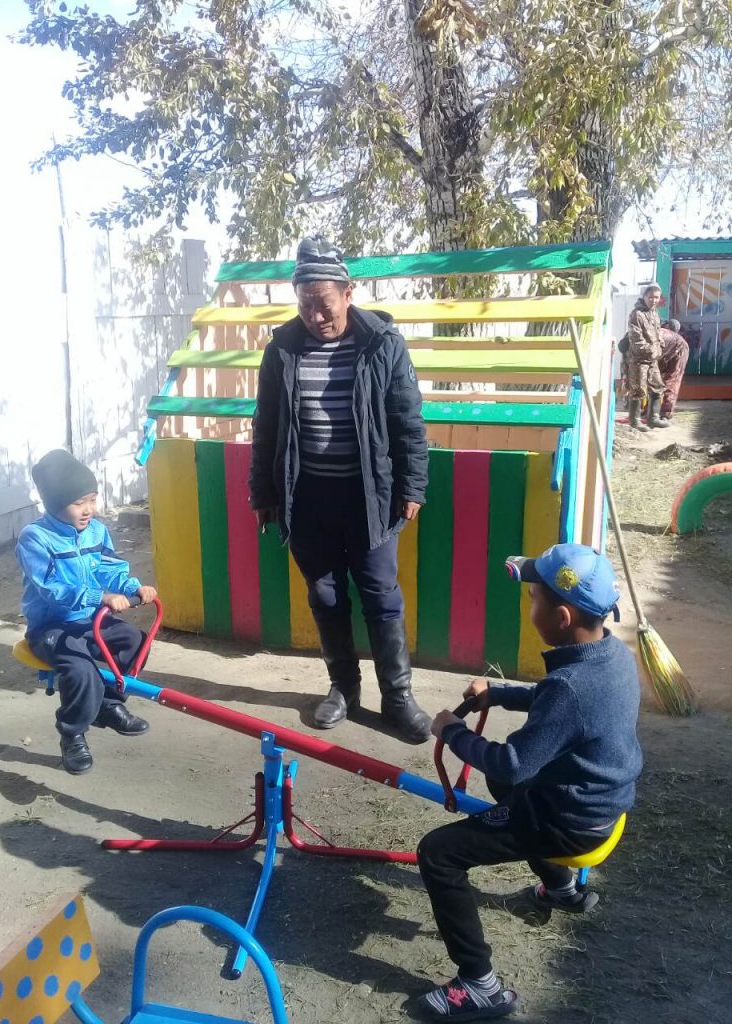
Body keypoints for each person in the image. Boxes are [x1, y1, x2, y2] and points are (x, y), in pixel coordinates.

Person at [415, 543, 642, 1020]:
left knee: (438, 853)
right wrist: (499, 694)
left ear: (561, 617)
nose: (530, 605)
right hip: (602, 803)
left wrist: (452, 732)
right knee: (508, 793)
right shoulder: (611, 656)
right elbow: (558, 702)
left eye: (534, 599)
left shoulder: (570, 687)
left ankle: (478, 984)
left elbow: (512, 763)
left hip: (568, 823)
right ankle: (561, 889)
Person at [248, 234, 431, 743]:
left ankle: (397, 697)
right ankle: (343, 689)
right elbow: (266, 425)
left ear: (348, 293)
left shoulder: (382, 343)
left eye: (324, 304)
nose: (315, 316)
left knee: (381, 595)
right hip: (306, 498)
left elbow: (407, 419)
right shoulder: (281, 349)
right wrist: (262, 493)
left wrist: (413, 484)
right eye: (305, 305)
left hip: (370, 495)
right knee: (325, 595)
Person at [16, 449, 156, 775]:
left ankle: (108, 704)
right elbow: (51, 588)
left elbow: (109, 567)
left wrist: (132, 587)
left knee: (135, 642)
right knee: (81, 670)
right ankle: (72, 733)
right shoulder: (35, 538)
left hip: (89, 618)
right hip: (50, 626)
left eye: (92, 500)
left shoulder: (96, 531)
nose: (89, 509)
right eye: (79, 503)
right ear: (54, 503)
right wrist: (100, 596)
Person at [626, 283, 670, 431]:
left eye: (656, 297)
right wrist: (651, 351)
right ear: (644, 297)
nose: (653, 300)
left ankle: (653, 418)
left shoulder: (654, 313)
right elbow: (636, 339)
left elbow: (658, 332)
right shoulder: (636, 314)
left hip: (653, 360)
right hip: (639, 360)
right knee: (638, 390)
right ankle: (635, 421)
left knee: (658, 388)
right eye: (650, 297)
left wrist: (660, 345)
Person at [658, 319, 690, 420]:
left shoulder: (657, 334)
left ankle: (665, 413)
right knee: (654, 380)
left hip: (679, 349)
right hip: (664, 351)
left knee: (671, 381)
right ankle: (652, 410)